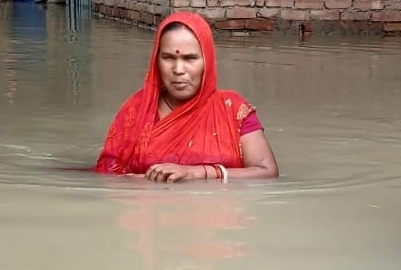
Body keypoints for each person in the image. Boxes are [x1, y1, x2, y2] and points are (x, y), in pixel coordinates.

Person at [95, 12, 279, 181]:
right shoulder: (136, 111)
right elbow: (108, 177)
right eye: (168, 58)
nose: (178, 70)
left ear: (207, 60)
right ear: (156, 60)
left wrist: (198, 172)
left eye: (190, 58)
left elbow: (267, 172)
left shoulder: (233, 109)